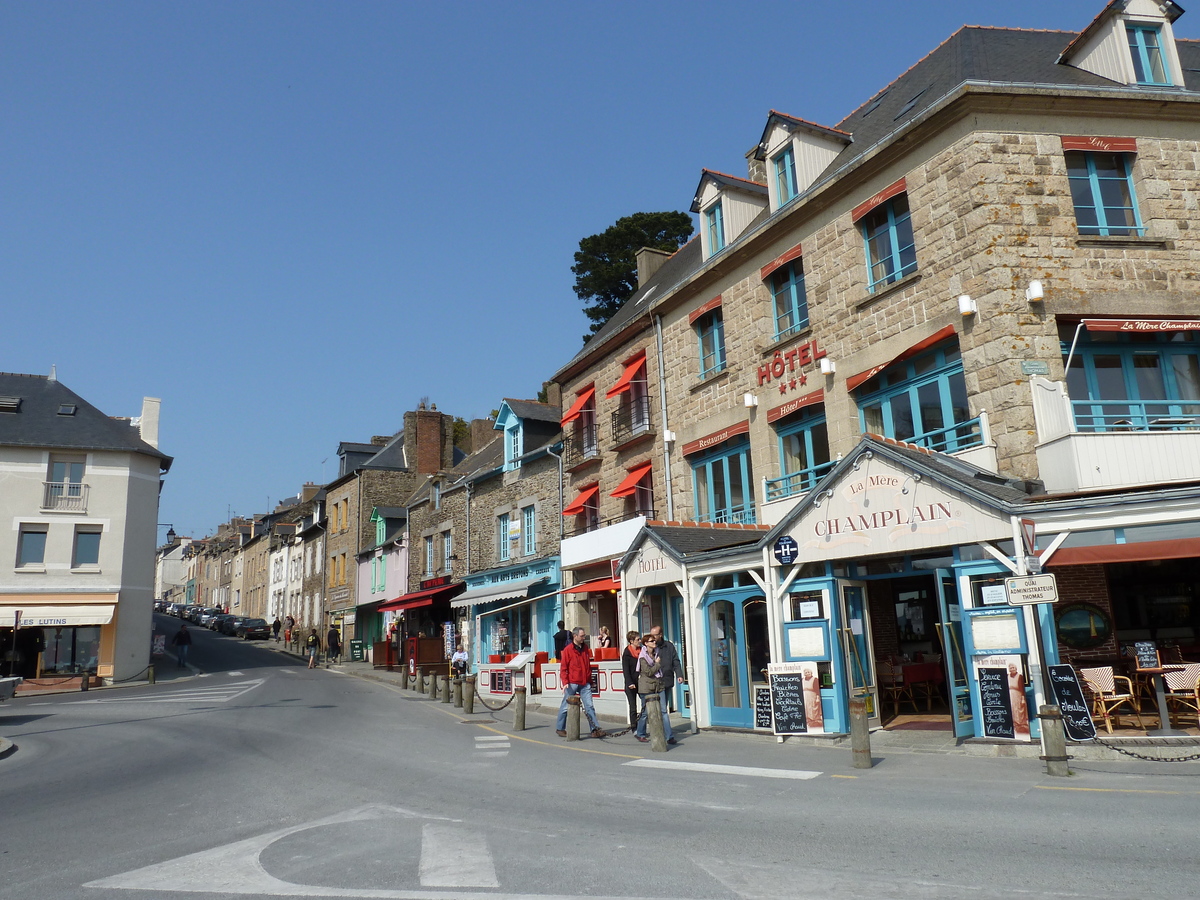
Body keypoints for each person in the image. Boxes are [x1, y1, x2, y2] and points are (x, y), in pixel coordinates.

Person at [555, 627, 606, 738]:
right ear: (575, 636)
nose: (584, 638)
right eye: (582, 636)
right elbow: (563, 667)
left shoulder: (585, 648)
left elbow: (587, 665)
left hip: (584, 681)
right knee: (565, 706)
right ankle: (560, 728)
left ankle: (595, 729)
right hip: (572, 681)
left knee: (589, 706)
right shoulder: (568, 650)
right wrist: (565, 682)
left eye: (584, 636)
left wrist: (590, 680)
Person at [635, 634, 674, 744]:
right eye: (651, 641)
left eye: (655, 641)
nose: (654, 643)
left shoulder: (657, 653)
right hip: (646, 687)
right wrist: (657, 664)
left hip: (658, 685)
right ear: (646, 643)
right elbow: (648, 672)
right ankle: (640, 733)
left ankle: (669, 736)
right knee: (645, 712)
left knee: (663, 711)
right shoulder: (642, 657)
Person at [650, 624, 685, 720]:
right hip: (654, 681)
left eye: (655, 635)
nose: (653, 638)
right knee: (654, 707)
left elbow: (675, 661)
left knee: (663, 707)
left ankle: (664, 729)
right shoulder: (650, 647)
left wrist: (679, 675)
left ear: (660, 635)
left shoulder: (669, 646)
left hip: (666, 679)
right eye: (651, 635)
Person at [621, 630, 642, 730]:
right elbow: (626, 670)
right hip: (631, 682)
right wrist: (630, 683)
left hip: (641, 682)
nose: (640, 641)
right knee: (633, 706)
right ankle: (634, 727)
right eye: (638, 639)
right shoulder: (627, 653)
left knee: (645, 703)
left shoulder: (642, 651)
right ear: (631, 641)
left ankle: (642, 725)